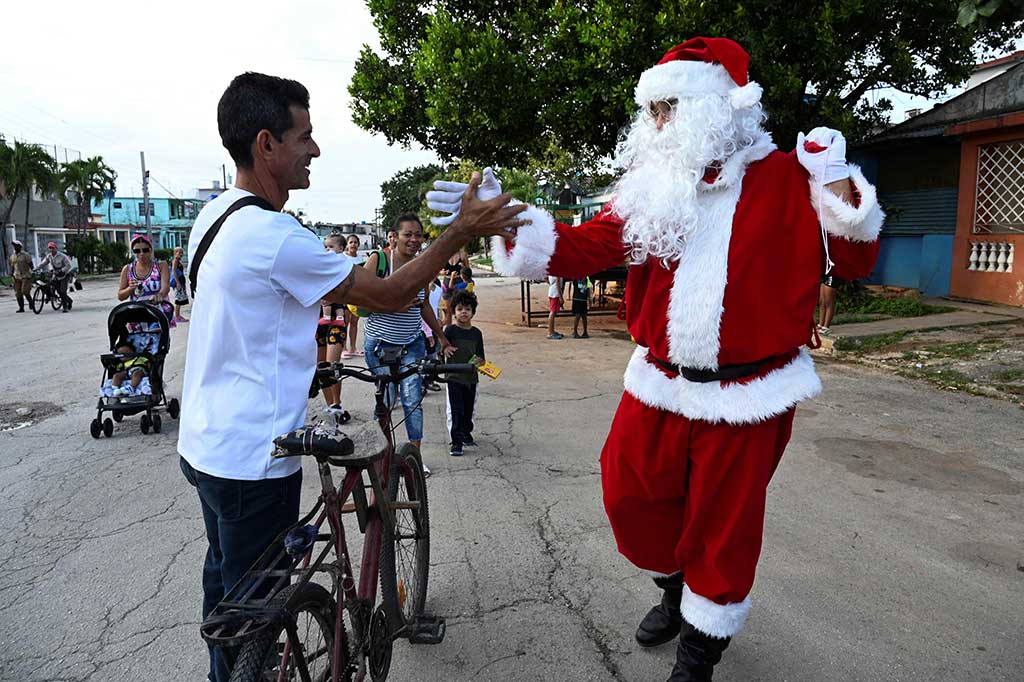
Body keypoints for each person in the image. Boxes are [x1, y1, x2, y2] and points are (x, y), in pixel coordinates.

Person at [429, 38, 882, 681]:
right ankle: (676, 588)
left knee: (723, 527)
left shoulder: (790, 179)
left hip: (748, 395)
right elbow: (586, 247)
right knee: (629, 496)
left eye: (671, 108)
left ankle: (700, 650)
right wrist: (508, 221)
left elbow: (858, 259)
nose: (659, 124)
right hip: (659, 384)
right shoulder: (653, 187)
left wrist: (835, 180)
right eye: (655, 111)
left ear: (717, 108)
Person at [177, 72, 525, 682]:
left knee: (227, 596)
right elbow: (390, 293)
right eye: (304, 137)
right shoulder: (275, 237)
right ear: (266, 144)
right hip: (254, 461)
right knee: (260, 613)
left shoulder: (214, 217)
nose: (315, 150)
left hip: (205, 448)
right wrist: (461, 232)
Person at [362, 214, 453, 458]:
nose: (413, 239)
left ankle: (414, 460)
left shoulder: (422, 265)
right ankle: (380, 457)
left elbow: (424, 306)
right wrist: (394, 306)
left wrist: (441, 336)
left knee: (413, 401)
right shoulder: (380, 260)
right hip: (380, 345)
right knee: (387, 400)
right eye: (407, 234)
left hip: (413, 343)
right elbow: (363, 297)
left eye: (418, 235)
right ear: (394, 237)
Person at [443, 290, 485, 457]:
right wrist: (445, 348)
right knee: (456, 410)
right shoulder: (450, 331)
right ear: (454, 312)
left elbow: (481, 357)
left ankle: (466, 433)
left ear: (473, 312)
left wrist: (480, 362)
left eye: (467, 309)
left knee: (468, 410)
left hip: (471, 378)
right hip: (454, 377)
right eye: (460, 309)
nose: (464, 312)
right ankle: (456, 442)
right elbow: (442, 347)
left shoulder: (477, 333)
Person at [317, 234, 349, 422]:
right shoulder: (317, 267)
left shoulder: (345, 269)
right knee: (321, 367)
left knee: (332, 366)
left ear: (341, 249)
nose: (326, 250)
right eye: (324, 246)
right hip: (319, 321)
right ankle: (330, 406)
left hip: (337, 322)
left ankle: (337, 403)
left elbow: (351, 294)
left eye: (330, 246)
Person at [118, 234, 174, 326]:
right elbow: (120, 296)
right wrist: (130, 289)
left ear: (151, 250)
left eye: (145, 250)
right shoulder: (127, 269)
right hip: (137, 317)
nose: (141, 254)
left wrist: (159, 296)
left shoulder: (161, 266)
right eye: (137, 251)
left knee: (160, 340)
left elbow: (166, 288)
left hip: (158, 316)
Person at [342, 234, 365, 358]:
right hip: (345, 295)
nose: (353, 245)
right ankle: (343, 348)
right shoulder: (342, 258)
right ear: (347, 244)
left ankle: (353, 348)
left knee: (355, 322)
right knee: (345, 322)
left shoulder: (361, 258)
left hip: (357, 295)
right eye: (351, 242)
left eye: (355, 242)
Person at [38, 241, 74, 312]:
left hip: (64, 274)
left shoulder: (62, 256)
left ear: (56, 248)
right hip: (56, 275)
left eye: (52, 248)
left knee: (63, 291)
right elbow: (43, 263)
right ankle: (69, 300)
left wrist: (61, 270)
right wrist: (36, 268)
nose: (51, 250)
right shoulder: (49, 256)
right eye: (49, 248)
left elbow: (68, 266)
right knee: (54, 288)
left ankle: (65, 307)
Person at [9, 239, 33, 312]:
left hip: (25, 276)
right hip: (16, 276)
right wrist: (11, 273)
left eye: (16, 246)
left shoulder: (26, 255)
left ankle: (31, 302)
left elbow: (31, 264)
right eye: (14, 246)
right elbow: (12, 265)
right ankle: (21, 308)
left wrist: (33, 271)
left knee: (25, 291)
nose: (15, 247)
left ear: (20, 247)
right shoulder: (13, 256)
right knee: (18, 293)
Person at [170, 246, 190, 323]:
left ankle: (178, 315)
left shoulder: (178, 261)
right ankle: (177, 316)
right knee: (178, 300)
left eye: (182, 252)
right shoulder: (175, 261)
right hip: (178, 283)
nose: (181, 254)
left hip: (181, 282)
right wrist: (178, 283)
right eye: (179, 252)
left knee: (180, 299)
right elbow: (174, 272)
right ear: (175, 253)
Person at [546, 275, 564, 339]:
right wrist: (560, 297)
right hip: (555, 294)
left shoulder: (551, 270)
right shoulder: (557, 271)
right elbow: (558, 284)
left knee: (553, 311)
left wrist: (551, 283)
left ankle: (552, 331)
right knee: (553, 312)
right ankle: (550, 333)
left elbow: (545, 278)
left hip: (551, 291)